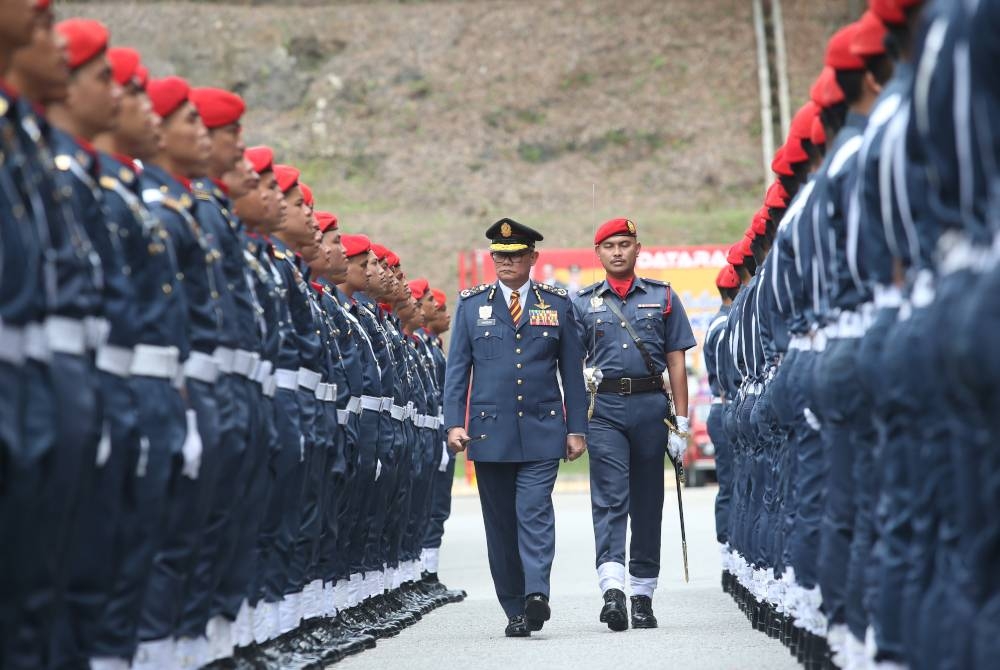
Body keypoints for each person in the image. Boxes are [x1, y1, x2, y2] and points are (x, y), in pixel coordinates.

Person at [443, 217, 587, 637]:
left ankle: (537, 593)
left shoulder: (556, 303)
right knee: (501, 525)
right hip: (489, 434)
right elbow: (458, 372)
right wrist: (454, 423)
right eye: (498, 256)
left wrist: (576, 428)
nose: (505, 262)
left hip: (544, 430)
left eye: (514, 255)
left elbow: (572, 374)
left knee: (535, 511)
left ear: (532, 258)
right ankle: (514, 608)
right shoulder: (472, 305)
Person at [573, 217, 696, 631]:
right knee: (610, 499)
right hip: (604, 409)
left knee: (647, 502)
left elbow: (677, 359)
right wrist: (573, 417)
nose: (618, 252)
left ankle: (642, 594)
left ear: (637, 248)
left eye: (625, 244)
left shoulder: (662, 296)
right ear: (598, 254)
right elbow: (570, 364)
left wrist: (681, 421)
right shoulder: (583, 302)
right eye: (609, 246)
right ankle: (613, 592)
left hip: (650, 408)